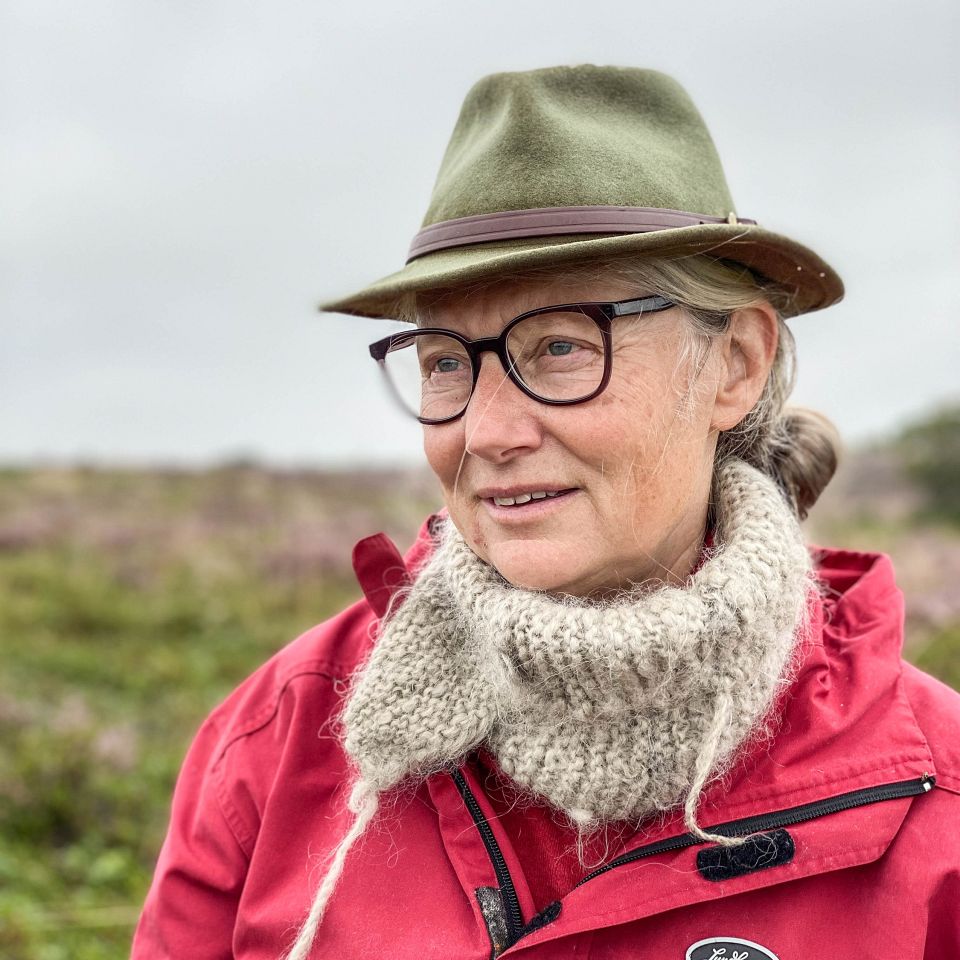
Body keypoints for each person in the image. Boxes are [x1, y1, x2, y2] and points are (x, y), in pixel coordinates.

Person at [132, 66, 960, 960]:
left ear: (736, 365)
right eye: (446, 360)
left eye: (562, 346)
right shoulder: (282, 739)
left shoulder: (933, 802)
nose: (484, 431)